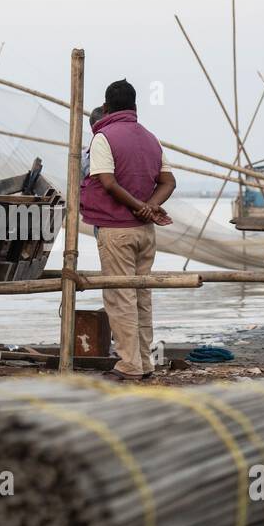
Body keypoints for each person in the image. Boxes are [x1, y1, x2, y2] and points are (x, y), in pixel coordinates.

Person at [79, 79, 176, 381]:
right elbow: (168, 181)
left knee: (121, 298)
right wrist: (147, 207)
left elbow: (107, 182)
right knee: (141, 296)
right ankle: (144, 363)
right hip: (145, 233)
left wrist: (139, 206)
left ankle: (129, 365)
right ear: (134, 107)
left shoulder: (102, 137)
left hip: (116, 230)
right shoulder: (150, 138)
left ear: (106, 107)